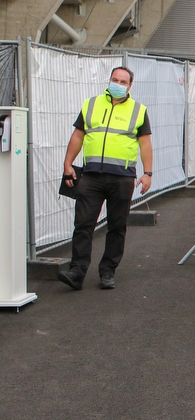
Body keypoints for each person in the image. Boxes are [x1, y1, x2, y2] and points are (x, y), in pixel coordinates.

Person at [58, 66, 153, 290]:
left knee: (117, 226)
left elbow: (145, 143)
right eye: (114, 80)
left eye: (122, 82)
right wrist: (67, 164)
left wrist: (148, 173)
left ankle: (107, 271)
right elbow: (78, 135)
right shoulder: (91, 104)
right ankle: (77, 272)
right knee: (83, 224)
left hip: (122, 178)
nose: (117, 84)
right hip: (91, 176)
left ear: (130, 86)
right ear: (109, 80)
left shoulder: (138, 110)